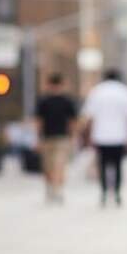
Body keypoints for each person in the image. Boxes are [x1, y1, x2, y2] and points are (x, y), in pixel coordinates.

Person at [81, 69, 127, 206]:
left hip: (100, 136)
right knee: (118, 166)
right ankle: (117, 193)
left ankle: (104, 192)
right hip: (120, 136)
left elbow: (89, 117)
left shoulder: (96, 91)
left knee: (102, 165)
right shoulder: (126, 92)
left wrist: (88, 136)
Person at [34, 73, 77, 203]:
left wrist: (38, 138)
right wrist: (73, 137)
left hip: (49, 138)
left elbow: (38, 122)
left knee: (50, 166)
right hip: (61, 138)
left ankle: (52, 189)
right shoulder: (67, 101)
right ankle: (56, 189)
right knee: (58, 166)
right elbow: (73, 122)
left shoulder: (44, 101)